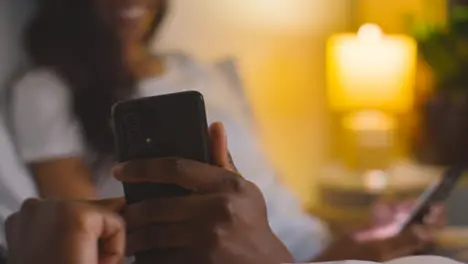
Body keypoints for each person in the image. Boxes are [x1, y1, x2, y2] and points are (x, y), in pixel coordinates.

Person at [9, 0, 444, 262]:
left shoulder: (198, 70)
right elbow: (81, 230)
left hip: (302, 248)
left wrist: (354, 235)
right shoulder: (46, 90)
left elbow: (277, 198)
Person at [5, 123, 444, 264]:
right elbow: (95, 239)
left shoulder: (195, 67)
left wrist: (350, 244)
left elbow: (278, 224)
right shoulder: (44, 90)